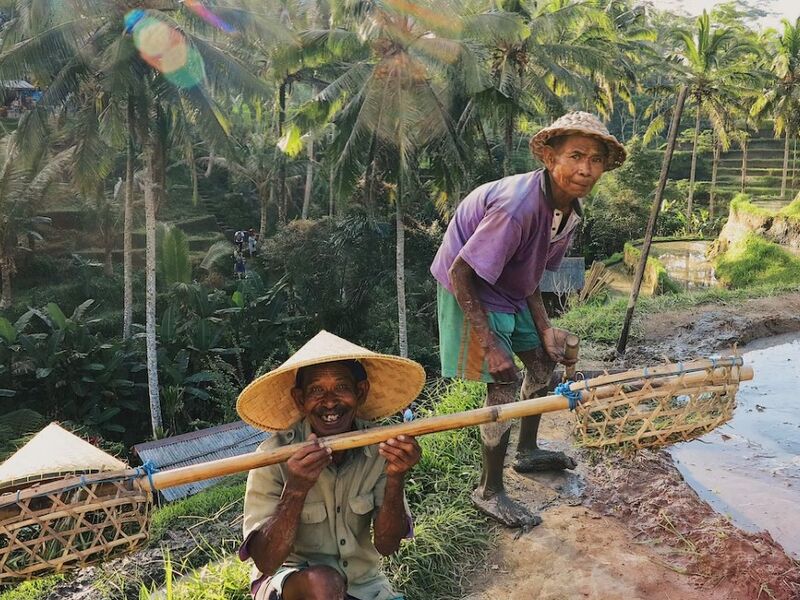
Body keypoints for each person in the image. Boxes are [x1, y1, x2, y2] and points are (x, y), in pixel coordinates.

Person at [429, 111, 626, 528]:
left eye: (595, 159)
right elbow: (461, 272)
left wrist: (544, 329)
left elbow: (532, 272)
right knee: (501, 384)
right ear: (551, 157)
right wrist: (491, 344)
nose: (585, 168)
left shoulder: (569, 211)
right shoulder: (518, 207)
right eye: (575, 155)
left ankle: (527, 451)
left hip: (508, 285)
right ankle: (489, 490)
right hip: (472, 288)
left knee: (541, 362)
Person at [237, 330, 426, 600]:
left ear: (360, 392)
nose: (329, 402)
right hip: (292, 584)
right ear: (300, 399)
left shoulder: (380, 447)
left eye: (341, 387)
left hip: (363, 586)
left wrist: (396, 477)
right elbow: (266, 562)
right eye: (316, 391)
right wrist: (296, 489)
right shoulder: (273, 456)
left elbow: (387, 545)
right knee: (323, 585)